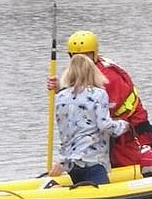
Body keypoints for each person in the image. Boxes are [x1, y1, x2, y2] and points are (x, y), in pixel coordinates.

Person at [47, 30, 152, 169]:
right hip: (114, 133)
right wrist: (60, 89)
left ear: (94, 54)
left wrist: (63, 92)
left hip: (131, 132)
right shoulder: (88, 71)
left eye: (85, 55)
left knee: (125, 165)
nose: (81, 60)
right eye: (75, 56)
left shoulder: (107, 78)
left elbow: (94, 114)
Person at [49, 54, 127, 185]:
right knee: (103, 196)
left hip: (70, 162)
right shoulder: (98, 94)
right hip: (92, 160)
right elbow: (105, 125)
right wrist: (123, 125)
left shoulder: (60, 96)